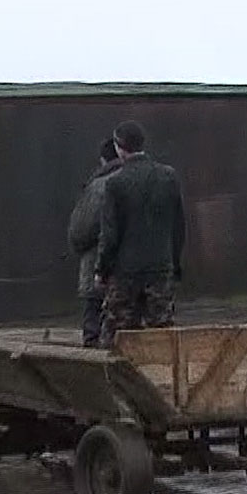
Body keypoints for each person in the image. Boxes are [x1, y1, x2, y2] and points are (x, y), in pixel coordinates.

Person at [90, 120, 187, 349]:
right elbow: (178, 227)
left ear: (119, 147)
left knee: (117, 339)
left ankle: (120, 383)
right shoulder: (168, 177)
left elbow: (110, 235)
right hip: (161, 270)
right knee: (163, 338)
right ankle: (162, 382)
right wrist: (174, 264)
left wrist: (101, 271)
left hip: (125, 273)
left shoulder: (115, 183)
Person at [66, 139, 125, 347]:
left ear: (103, 159)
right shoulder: (144, 179)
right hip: (137, 273)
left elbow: (80, 232)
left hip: (99, 272)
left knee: (94, 332)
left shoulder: (100, 186)